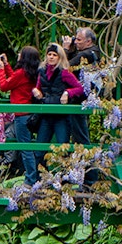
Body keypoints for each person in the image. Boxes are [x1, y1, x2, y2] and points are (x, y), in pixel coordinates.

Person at [32, 44, 84, 175]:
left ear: (59, 57)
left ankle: (65, 178)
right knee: (39, 150)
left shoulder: (64, 73)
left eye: (54, 55)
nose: (51, 57)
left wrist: (67, 93)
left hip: (61, 116)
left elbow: (80, 88)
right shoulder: (42, 71)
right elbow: (38, 87)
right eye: (49, 54)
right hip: (46, 115)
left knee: (63, 149)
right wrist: (36, 91)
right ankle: (42, 178)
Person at [0, 46, 41, 184]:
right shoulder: (31, 73)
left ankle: (30, 179)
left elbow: (4, 85)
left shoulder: (22, 73)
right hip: (29, 113)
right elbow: (14, 80)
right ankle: (34, 176)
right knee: (28, 147)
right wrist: (6, 65)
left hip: (21, 114)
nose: (18, 55)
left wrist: (0, 69)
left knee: (25, 148)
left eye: (20, 54)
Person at [62, 27, 102, 146]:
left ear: (88, 41)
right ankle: (82, 157)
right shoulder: (93, 51)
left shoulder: (88, 54)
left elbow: (65, 67)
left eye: (79, 40)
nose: (75, 42)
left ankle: (85, 158)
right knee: (76, 130)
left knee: (80, 132)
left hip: (81, 98)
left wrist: (65, 49)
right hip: (81, 96)